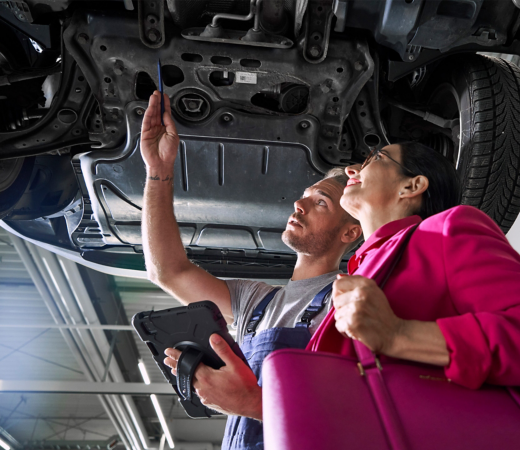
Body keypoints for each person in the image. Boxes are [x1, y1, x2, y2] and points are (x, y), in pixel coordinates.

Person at [139, 91, 362, 450]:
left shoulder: (351, 300)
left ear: (350, 232)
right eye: (304, 194)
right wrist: (158, 171)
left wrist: (250, 404)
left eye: (320, 202)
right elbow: (167, 271)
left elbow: (356, 418)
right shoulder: (255, 302)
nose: (299, 203)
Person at [307, 142, 520, 389]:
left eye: (376, 158)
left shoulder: (445, 231)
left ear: (412, 186)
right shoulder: (360, 267)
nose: (351, 169)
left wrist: (400, 335)